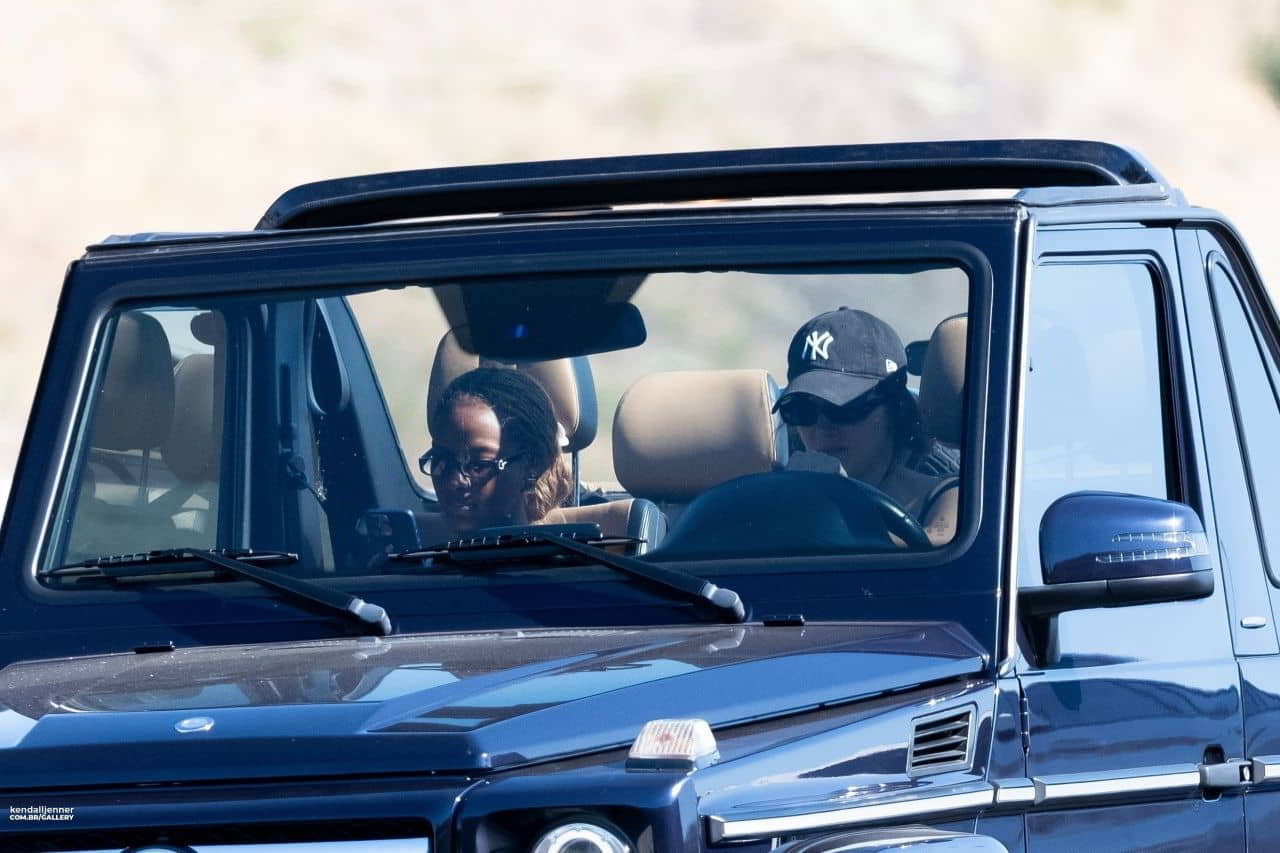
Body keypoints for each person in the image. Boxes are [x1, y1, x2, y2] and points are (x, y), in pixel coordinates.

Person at [777, 307, 958, 545]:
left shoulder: (947, 500)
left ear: (894, 408)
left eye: (844, 408)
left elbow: (943, 558)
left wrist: (840, 501)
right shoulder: (763, 501)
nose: (821, 426)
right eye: (803, 410)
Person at [422, 367, 572, 535]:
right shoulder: (407, 553)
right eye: (442, 460)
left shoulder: (578, 559)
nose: (453, 482)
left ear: (533, 466)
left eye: (478, 466)